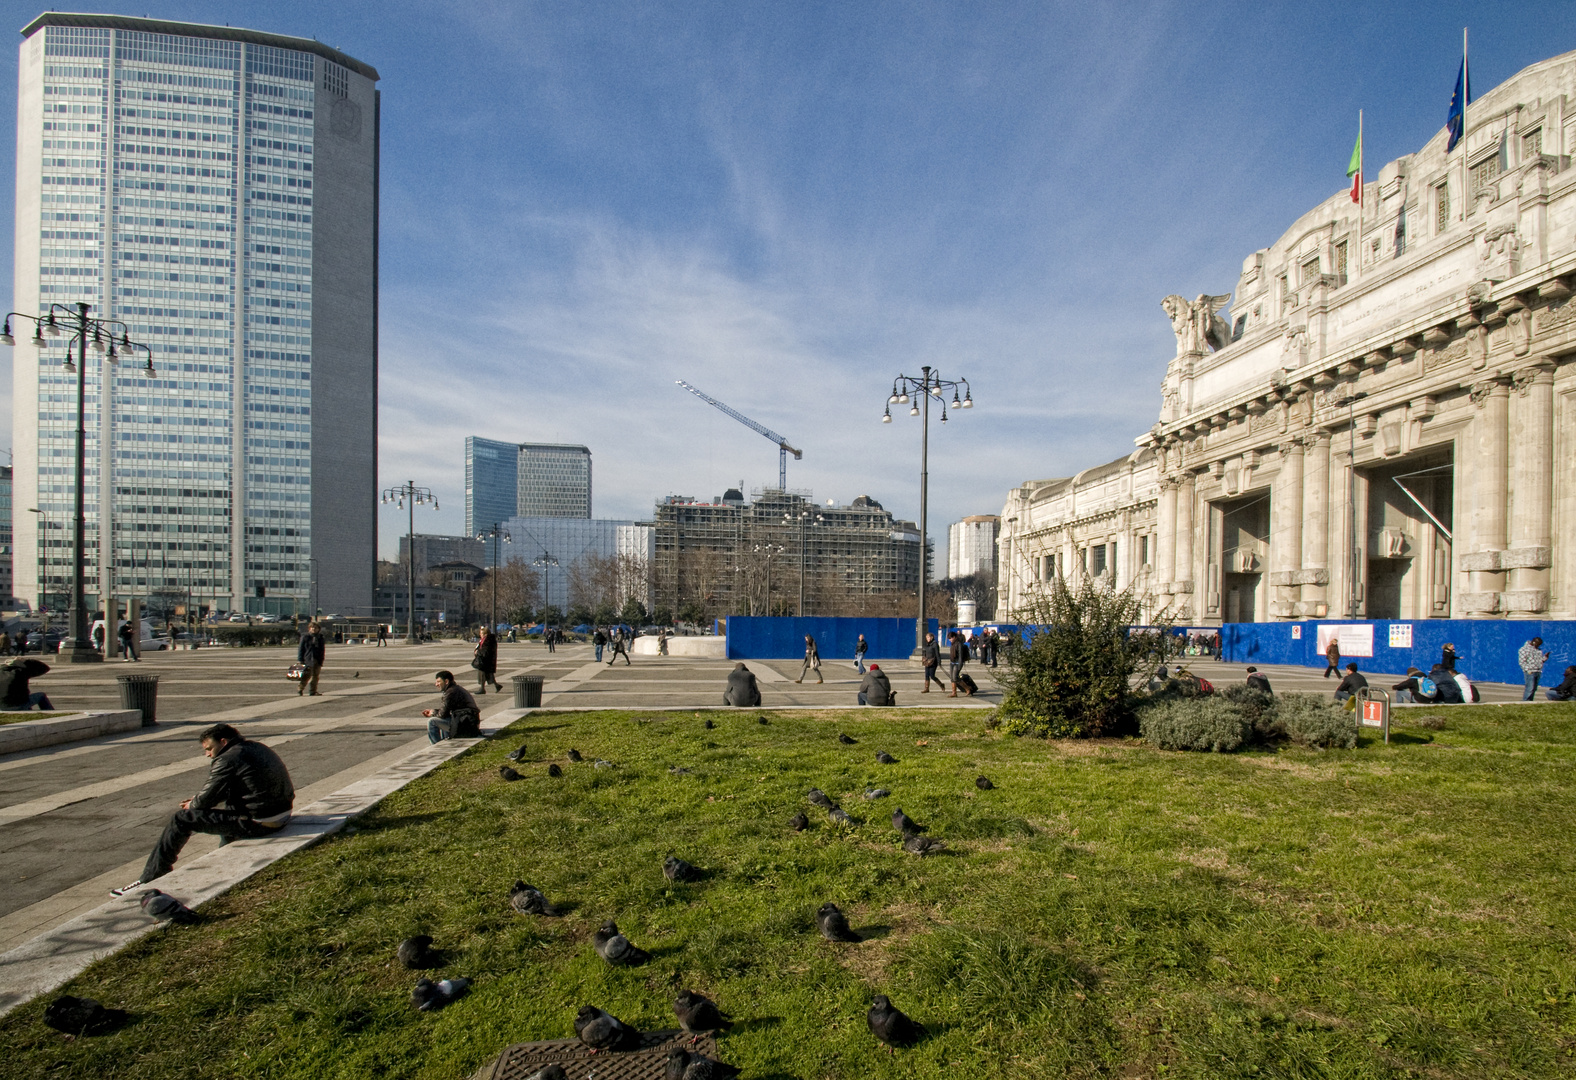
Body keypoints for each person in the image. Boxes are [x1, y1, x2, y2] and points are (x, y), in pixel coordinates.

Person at [112, 723, 294, 896]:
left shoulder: (227, 758)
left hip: (262, 822)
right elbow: (240, 787)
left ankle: (152, 876)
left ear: (223, 741)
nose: (207, 754)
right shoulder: (256, 747)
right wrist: (198, 801)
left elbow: (203, 802)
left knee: (181, 819)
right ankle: (226, 856)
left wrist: (192, 804)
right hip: (282, 814)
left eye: (209, 749)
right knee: (228, 810)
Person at [423, 670, 481, 742]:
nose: (436, 684)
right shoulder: (455, 689)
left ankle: (436, 745)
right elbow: (445, 712)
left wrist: (432, 713)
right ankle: (447, 740)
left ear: (446, 681)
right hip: (468, 721)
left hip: (465, 724)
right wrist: (434, 711)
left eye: (438, 682)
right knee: (445, 719)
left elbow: (442, 714)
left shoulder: (451, 692)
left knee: (432, 722)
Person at [296, 621, 326, 697]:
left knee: (316, 676)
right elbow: (301, 649)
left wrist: (321, 659)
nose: (314, 629)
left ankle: (313, 691)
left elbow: (322, 649)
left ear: (318, 629)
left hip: (317, 659)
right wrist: (300, 659)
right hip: (308, 659)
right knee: (307, 676)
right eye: (312, 627)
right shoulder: (305, 637)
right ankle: (300, 689)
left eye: (315, 628)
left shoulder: (320, 637)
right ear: (309, 628)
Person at [1519, 636, 1550, 701]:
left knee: (1534, 688)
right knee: (1530, 688)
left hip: (1538, 671)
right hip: (1530, 671)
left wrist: (1545, 657)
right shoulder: (1524, 649)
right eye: (1538, 644)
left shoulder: (1538, 650)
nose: (1538, 646)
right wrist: (1527, 669)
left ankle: (1530, 701)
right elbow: (1522, 662)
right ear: (1533, 642)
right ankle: (1525, 701)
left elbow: (1540, 661)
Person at [473, 625, 501, 694]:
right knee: (488, 674)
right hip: (485, 660)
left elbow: (485, 651)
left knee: (483, 674)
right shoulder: (484, 640)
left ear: (485, 634)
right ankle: (497, 686)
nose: (480, 635)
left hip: (486, 660)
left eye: (481, 633)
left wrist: (478, 652)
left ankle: (482, 689)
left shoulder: (488, 641)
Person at [948, 631, 969, 697]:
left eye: (951, 638)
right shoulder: (952, 644)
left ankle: (967, 689)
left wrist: (960, 664)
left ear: (954, 637)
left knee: (955, 677)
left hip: (957, 662)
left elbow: (960, 655)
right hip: (952, 662)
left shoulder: (959, 644)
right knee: (952, 678)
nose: (950, 639)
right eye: (949, 638)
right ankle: (954, 692)